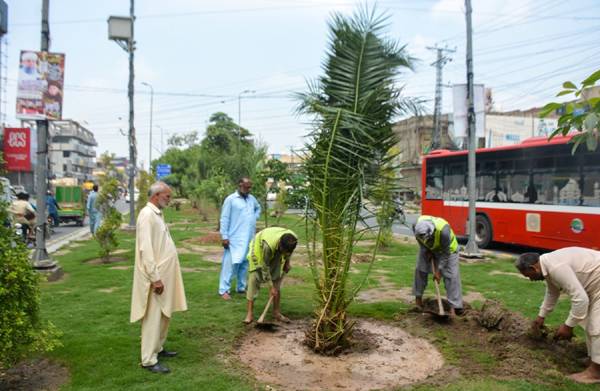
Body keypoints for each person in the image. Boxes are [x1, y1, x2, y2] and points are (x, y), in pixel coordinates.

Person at [515, 248, 600, 384]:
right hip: (595, 283)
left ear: (533, 268)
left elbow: (580, 299)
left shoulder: (555, 267)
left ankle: (596, 372)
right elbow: (552, 292)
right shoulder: (547, 265)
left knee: (597, 326)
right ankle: (593, 359)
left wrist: (568, 326)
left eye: (529, 276)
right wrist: (541, 316)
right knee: (590, 324)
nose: (530, 280)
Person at [130, 181, 187, 374]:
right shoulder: (147, 215)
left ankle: (158, 348)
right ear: (156, 196)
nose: (170, 200)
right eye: (167, 196)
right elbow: (146, 249)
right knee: (153, 317)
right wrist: (155, 278)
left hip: (165, 274)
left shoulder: (157, 214)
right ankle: (148, 359)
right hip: (156, 277)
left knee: (164, 315)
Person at [218, 177, 261, 300]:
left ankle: (241, 287)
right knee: (230, 264)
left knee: (245, 263)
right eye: (246, 187)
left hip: (249, 238)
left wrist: (254, 216)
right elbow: (224, 218)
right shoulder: (231, 200)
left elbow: (258, 208)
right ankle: (223, 290)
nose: (248, 190)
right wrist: (224, 236)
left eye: (250, 188)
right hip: (234, 238)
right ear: (240, 184)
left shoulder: (252, 199)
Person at [244, 227, 298, 324]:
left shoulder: (293, 239)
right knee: (253, 280)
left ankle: (276, 312)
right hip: (258, 250)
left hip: (276, 250)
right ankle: (249, 314)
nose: (286, 253)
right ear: (280, 245)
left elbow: (289, 252)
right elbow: (265, 266)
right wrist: (270, 286)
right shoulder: (267, 247)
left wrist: (287, 262)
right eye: (284, 251)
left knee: (276, 282)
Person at [412, 215, 464, 316]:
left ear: (431, 232)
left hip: (448, 250)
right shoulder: (416, 225)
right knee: (420, 270)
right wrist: (426, 250)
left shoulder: (444, 231)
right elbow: (419, 240)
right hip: (428, 249)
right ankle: (418, 301)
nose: (424, 239)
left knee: (451, 276)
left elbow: (445, 253)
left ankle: (454, 308)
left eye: (426, 237)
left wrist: (438, 271)